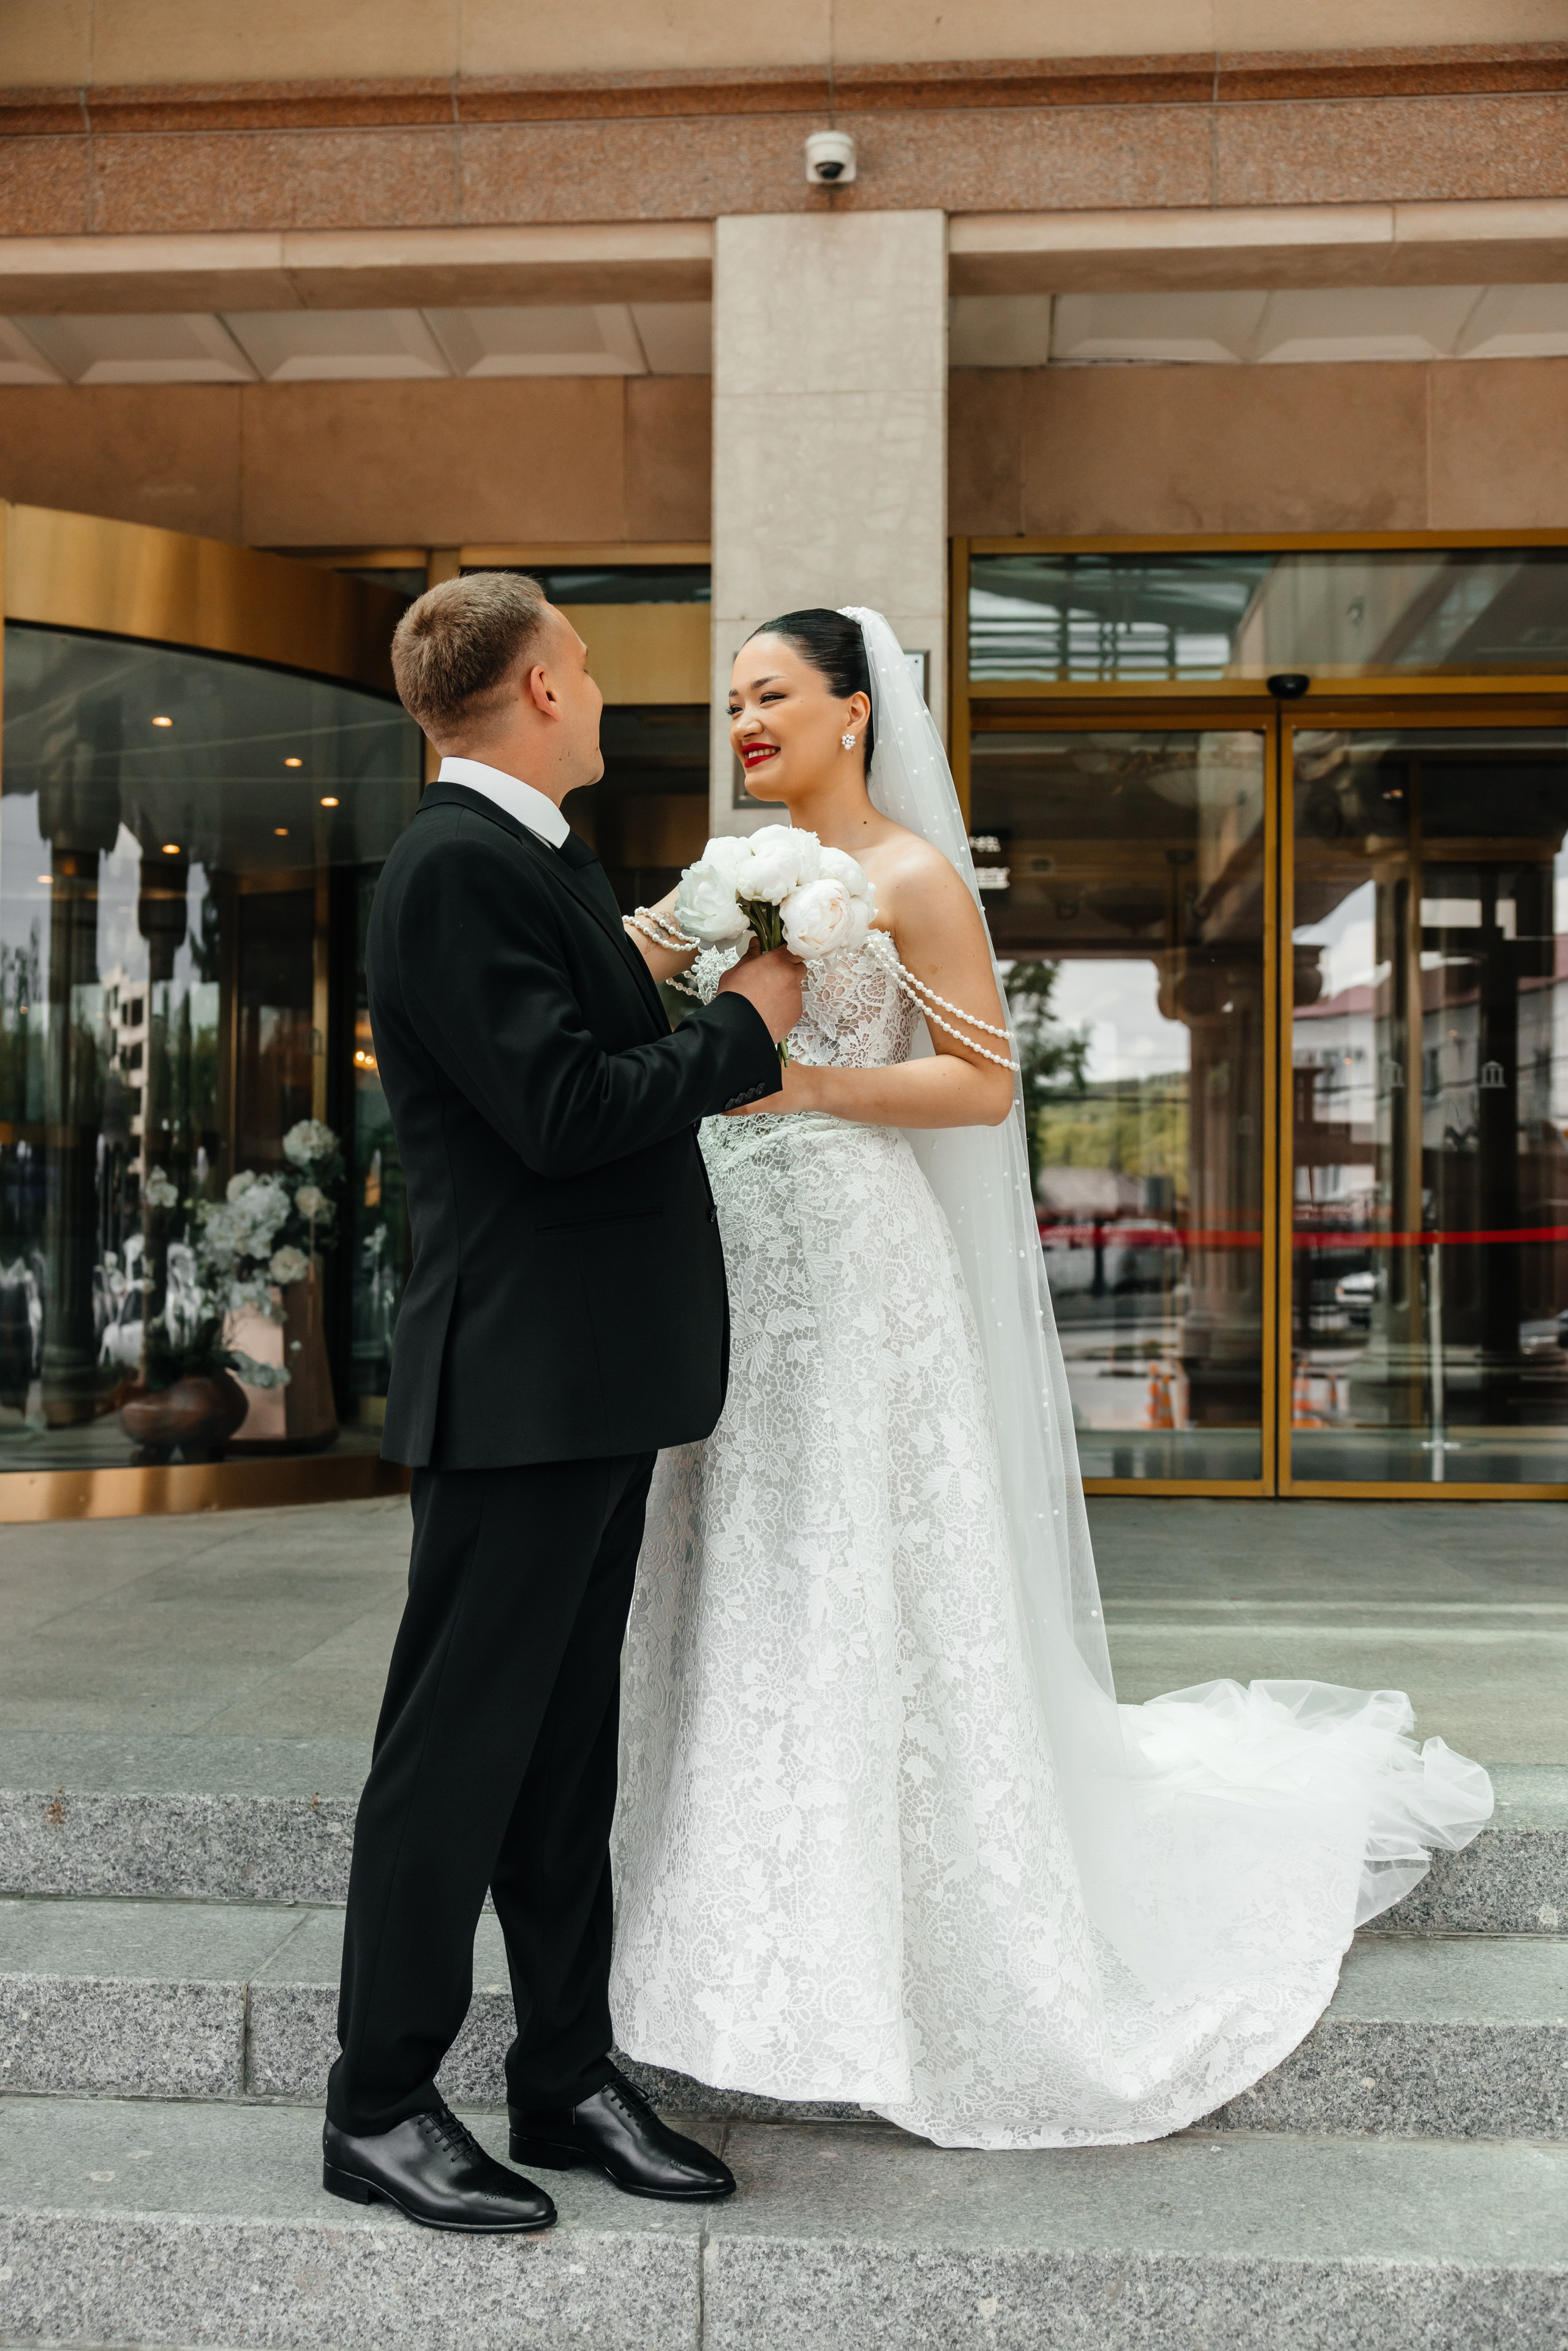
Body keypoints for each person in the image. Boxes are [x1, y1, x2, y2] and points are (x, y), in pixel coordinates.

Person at [609, 606, 1493, 2148]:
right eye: (731, 697)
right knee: (737, 1561)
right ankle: (720, 1926)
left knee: (854, 1566)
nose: (745, 719)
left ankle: (881, 1944)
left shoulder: (905, 876)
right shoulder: (721, 869)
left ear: (852, 711)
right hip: (729, 1255)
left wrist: (803, 1079)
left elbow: (981, 1079)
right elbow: (625, 984)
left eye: (773, 694)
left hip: (858, 1256)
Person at [323, 571, 801, 2230]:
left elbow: (571, 1048)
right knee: (452, 1754)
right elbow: (564, 1109)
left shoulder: (530, 858)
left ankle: (564, 2073)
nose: (602, 693)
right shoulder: (458, 867)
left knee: (556, 1753)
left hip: (583, 1379)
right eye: (586, 669)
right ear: (533, 690)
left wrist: (665, 972)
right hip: (519, 1381)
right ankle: (379, 2099)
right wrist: (748, 1030)